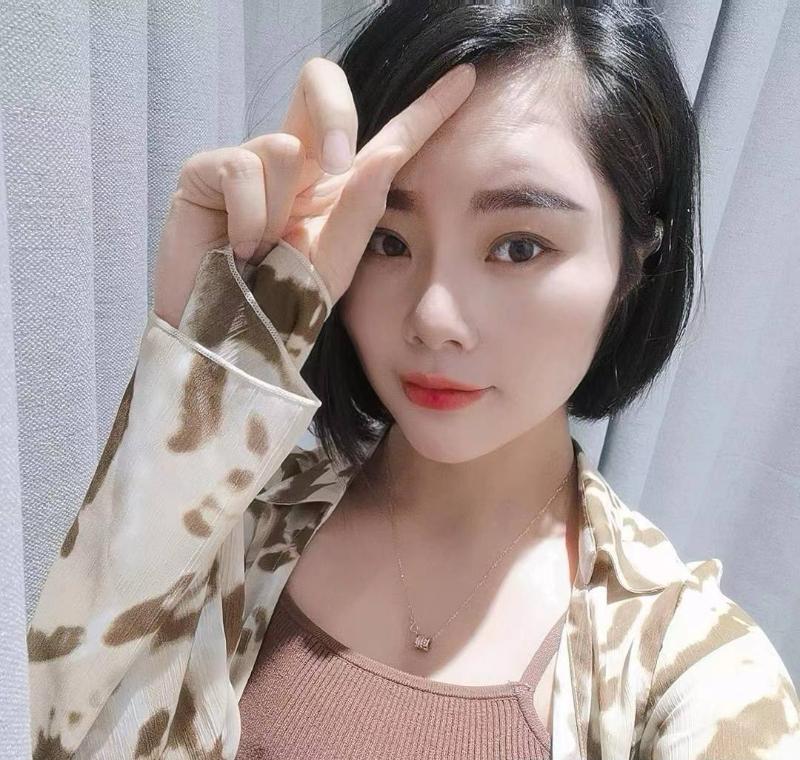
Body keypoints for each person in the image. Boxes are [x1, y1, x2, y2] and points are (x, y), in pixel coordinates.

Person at [27, 2, 800, 758]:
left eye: (519, 247)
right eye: (387, 241)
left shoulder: (687, 666)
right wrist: (210, 360)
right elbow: (53, 734)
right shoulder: (227, 523)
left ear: (634, 261)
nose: (434, 317)